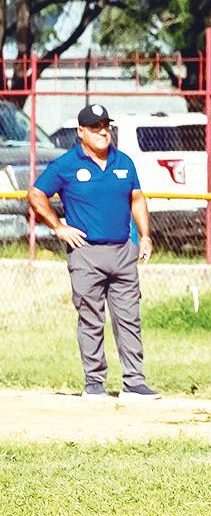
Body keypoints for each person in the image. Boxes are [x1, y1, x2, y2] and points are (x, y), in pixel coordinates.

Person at [28, 104, 159, 400]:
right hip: (86, 253)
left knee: (129, 318)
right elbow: (35, 194)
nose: (102, 132)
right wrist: (58, 227)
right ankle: (94, 382)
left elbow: (137, 199)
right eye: (95, 127)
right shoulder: (66, 164)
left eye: (105, 126)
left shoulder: (123, 162)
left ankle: (134, 382)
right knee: (91, 319)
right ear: (81, 132)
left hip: (122, 251)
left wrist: (145, 236)